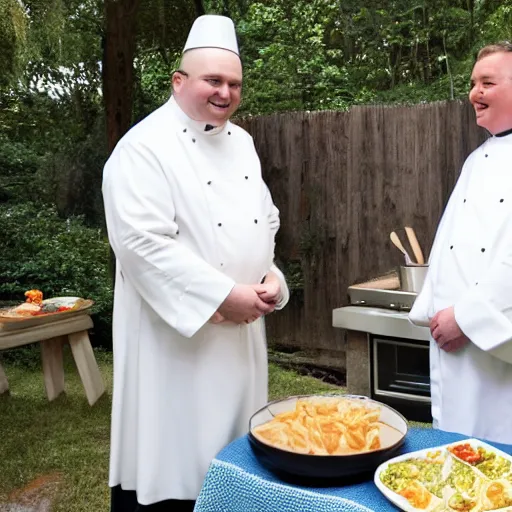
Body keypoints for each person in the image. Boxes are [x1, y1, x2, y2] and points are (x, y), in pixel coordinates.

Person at [102, 14, 289, 511]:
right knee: (178, 462)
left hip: (242, 335)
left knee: (237, 463)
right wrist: (227, 296)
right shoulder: (142, 148)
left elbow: (265, 220)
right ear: (179, 81)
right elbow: (141, 244)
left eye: (234, 83)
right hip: (176, 344)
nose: (225, 92)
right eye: (213, 80)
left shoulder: (244, 142)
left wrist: (271, 279)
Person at [409, 42, 512, 444]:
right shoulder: (477, 158)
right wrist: (434, 308)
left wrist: (465, 319)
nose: (474, 93)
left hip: (494, 347)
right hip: (456, 347)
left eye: (488, 82)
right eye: (473, 83)